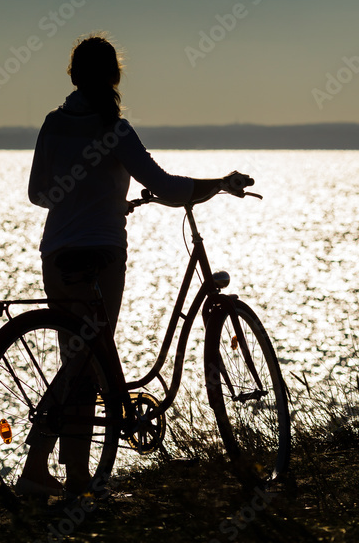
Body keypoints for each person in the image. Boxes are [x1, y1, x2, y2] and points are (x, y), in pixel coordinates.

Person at [19, 34, 253, 497]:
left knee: (81, 359)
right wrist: (220, 183)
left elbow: (38, 194)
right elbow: (167, 187)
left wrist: (87, 196)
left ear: (73, 76)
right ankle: (52, 471)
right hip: (102, 254)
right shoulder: (115, 130)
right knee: (87, 361)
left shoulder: (53, 123)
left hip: (57, 254)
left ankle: (63, 474)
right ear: (114, 77)